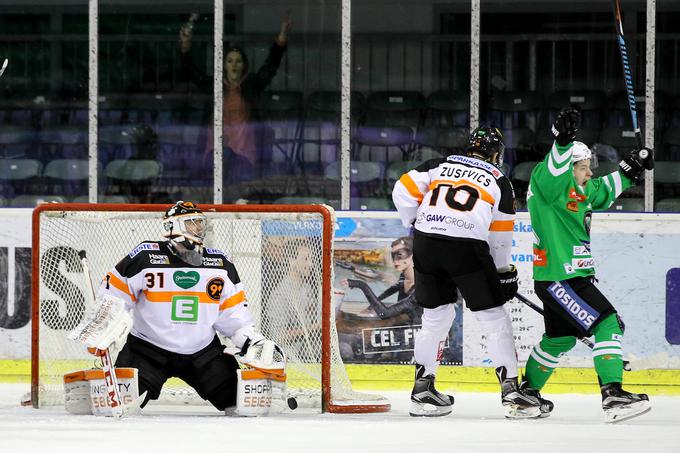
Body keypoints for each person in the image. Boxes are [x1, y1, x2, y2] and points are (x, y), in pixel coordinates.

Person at [392, 127, 541, 418]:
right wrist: (502, 272)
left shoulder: (440, 164)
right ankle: (512, 393)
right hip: (466, 246)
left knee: (435, 317)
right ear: (496, 152)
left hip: (426, 242)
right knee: (493, 317)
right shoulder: (499, 181)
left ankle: (422, 391)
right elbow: (499, 236)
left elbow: (403, 189)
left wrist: (414, 222)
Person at [83, 201, 282, 411]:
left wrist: (250, 341)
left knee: (241, 405)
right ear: (172, 227)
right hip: (147, 350)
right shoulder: (145, 258)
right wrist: (103, 330)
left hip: (202, 353)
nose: (198, 228)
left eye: (199, 223)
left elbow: (233, 318)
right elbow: (113, 297)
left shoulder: (221, 265)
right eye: (191, 223)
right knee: (122, 406)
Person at [522, 107, 654, 423]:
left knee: (560, 339)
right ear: (568, 168)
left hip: (564, 277)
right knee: (608, 323)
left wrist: (634, 165)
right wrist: (563, 141)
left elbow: (605, 188)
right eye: (583, 168)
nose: (589, 173)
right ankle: (613, 395)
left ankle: (525, 395)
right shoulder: (547, 184)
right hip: (561, 278)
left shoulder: (580, 189)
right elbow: (554, 167)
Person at [179, 13, 291, 183]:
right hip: (213, 152)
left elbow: (270, 66)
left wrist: (281, 38)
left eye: (238, 61)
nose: (234, 64)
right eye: (230, 60)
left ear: (244, 65)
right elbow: (191, 73)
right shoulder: (214, 85)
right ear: (224, 65)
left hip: (244, 153)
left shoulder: (251, 84)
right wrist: (185, 46)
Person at [343, 237, 422, 324]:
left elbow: (384, 313)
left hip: (415, 331)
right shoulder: (403, 278)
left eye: (400, 255)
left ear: (412, 256)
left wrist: (361, 285)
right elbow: (389, 291)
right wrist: (370, 307)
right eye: (393, 256)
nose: (395, 260)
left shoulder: (421, 287)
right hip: (401, 325)